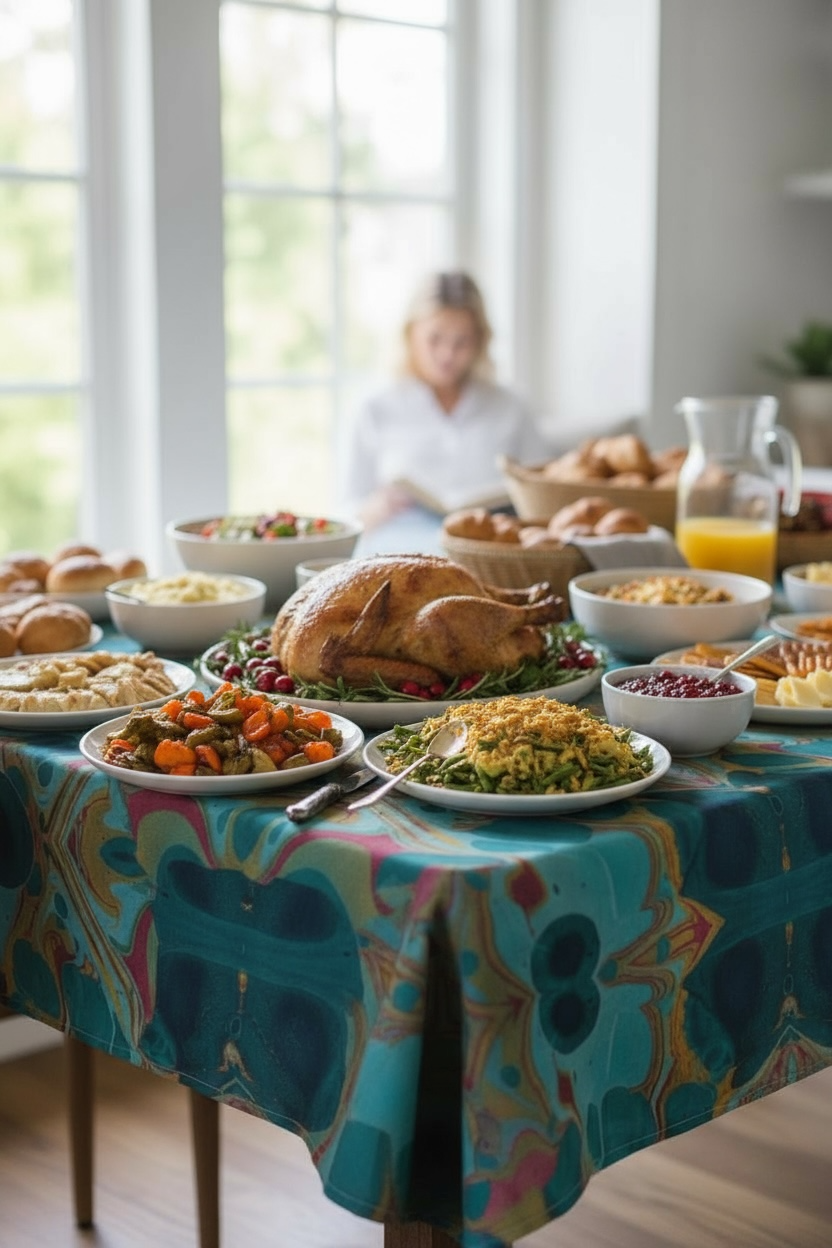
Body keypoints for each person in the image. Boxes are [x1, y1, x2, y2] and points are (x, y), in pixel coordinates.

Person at [339, 270, 550, 531]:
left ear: (480, 340)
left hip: (488, 554)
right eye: (435, 339)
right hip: (400, 551)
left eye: (461, 341)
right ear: (410, 334)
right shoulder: (374, 408)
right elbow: (345, 512)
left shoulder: (511, 407)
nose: (447, 354)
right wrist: (375, 509)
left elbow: (544, 502)